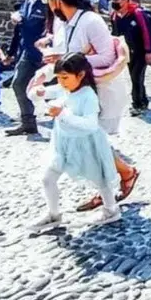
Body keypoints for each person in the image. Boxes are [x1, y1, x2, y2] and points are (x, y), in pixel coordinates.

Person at [45, 0, 139, 211]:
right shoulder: (66, 22)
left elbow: (106, 57)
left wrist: (69, 61)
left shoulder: (90, 21)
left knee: (93, 141)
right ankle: (119, 179)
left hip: (98, 91)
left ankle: (120, 179)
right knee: (92, 142)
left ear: (57, 0)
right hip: (77, 90)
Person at [29, 52, 123, 232]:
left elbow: (90, 124)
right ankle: (53, 214)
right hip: (63, 143)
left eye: (65, 77)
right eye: (58, 78)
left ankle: (111, 209)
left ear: (80, 75)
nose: (61, 81)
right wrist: (39, 91)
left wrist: (62, 113)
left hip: (86, 144)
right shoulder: (66, 88)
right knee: (48, 178)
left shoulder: (88, 96)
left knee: (100, 179)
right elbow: (45, 92)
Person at [6, 0, 50, 137]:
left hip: (46, 54)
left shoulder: (47, 4)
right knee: (18, 83)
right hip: (28, 53)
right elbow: (20, 29)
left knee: (56, 88)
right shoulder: (26, 3)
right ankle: (28, 122)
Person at [110, 0, 151, 117]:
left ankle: (137, 104)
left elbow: (146, 32)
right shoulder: (115, 15)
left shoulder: (137, 13)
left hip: (141, 51)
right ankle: (143, 100)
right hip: (127, 52)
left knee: (136, 76)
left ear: (126, 0)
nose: (114, 2)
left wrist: (149, 51)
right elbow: (115, 35)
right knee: (135, 77)